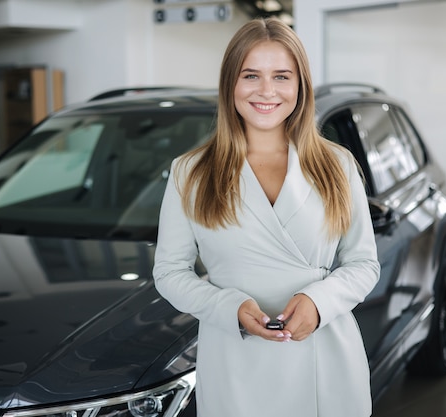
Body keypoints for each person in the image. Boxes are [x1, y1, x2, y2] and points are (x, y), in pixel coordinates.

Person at [153, 17, 380, 417]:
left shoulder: (336, 164)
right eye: (251, 75)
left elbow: (364, 264)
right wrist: (227, 307)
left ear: (300, 86)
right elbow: (170, 272)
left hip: (326, 359)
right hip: (236, 365)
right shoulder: (190, 172)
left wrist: (319, 300)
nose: (266, 91)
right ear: (230, 85)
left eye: (281, 76)